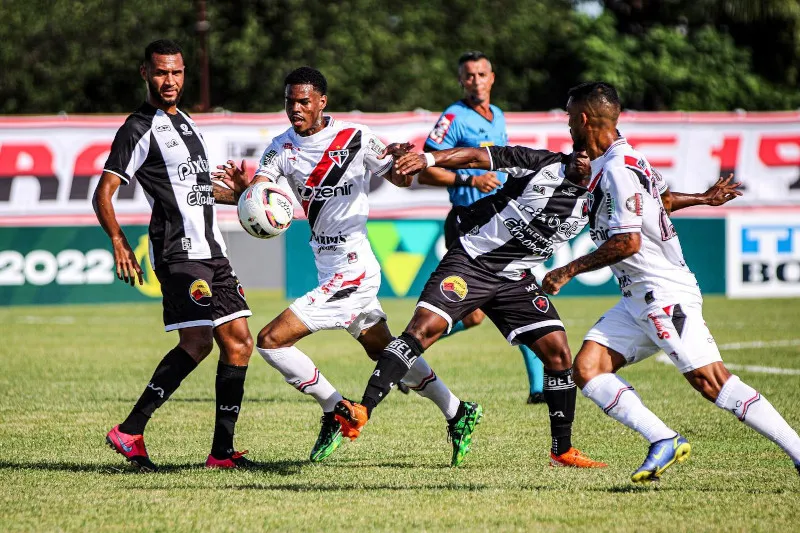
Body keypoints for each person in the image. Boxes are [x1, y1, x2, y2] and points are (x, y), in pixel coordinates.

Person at [212, 67, 482, 467]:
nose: (296, 109)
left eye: (304, 101)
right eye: (290, 101)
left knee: (270, 341)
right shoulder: (281, 146)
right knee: (387, 354)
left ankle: (336, 410)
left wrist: (398, 162)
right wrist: (244, 194)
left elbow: (399, 179)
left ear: (322, 101)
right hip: (328, 265)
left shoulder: (354, 137)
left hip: (353, 268)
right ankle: (458, 411)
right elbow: (263, 194)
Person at [543, 81, 800, 482]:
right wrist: (702, 197)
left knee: (711, 381)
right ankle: (662, 439)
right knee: (588, 369)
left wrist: (567, 269)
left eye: (569, 116)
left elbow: (627, 241)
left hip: (661, 293)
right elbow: (660, 202)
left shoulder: (615, 169)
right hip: (636, 298)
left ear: (584, 118)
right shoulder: (630, 161)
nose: (567, 124)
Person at [334, 142, 611, 468]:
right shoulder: (541, 163)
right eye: (577, 148)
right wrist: (428, 158)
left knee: (559, 353)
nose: (580, 156)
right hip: (471, 262)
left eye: (589, 154)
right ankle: (363, 408)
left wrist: (688, 198)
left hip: (515, 278)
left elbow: (645, 214)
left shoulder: (599, 198)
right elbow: (479, 156)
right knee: (421, 331)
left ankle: (561, 450)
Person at [93, 40, 255, 471]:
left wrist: (237, 195)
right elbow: (103, 193)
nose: (171, 81)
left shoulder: (186, 123)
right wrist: (118, 241)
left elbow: (196, 192)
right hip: (179, 252)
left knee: (239, 343)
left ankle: (222, 453)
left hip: (213, 251)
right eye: (162, 73)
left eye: (178, 73)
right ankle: (130, 430)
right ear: (145, 73)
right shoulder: (138, 127)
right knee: (198, 341)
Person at [418, 50, 545, 404]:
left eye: (482, 74)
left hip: (498, 220)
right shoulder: (453, 118)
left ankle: (406, 356)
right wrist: (471, 181)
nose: (476, 81)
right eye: (469, 75)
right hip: (466, 222)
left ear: (492, 77)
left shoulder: (498, 116)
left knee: (477, 314)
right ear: (462, 80)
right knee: (513, 294)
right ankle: (407, 354)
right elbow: (426, 169)